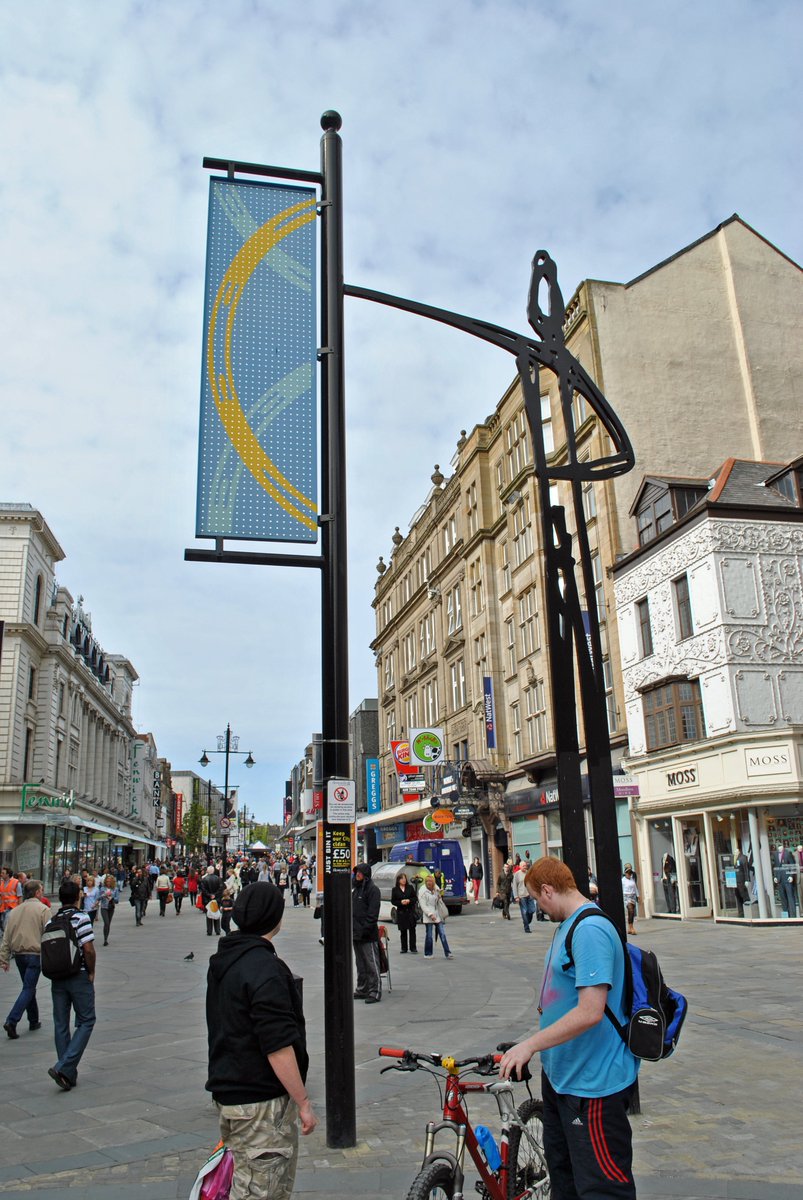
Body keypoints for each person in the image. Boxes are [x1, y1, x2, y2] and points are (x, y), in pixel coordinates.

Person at [499, 857, 638, 1200]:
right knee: (565, 1181)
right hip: (564, 1079)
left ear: (548, 890)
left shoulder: (589, 930)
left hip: (592, 1086)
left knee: (601, 1188)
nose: (537, 906)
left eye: (535, 898)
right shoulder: (568, 925)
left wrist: (531, 1044)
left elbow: (591, 1012)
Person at [206, 882, 317, 1199]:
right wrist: (303, 1102)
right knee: (261, 1190)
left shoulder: (225, 960)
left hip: (230, 1093)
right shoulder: (265, 969)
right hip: (260, 1103)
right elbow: (277, 1045)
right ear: (274, 917)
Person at [47, 879, 97, 1091]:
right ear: (78, 897)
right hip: (78, 974)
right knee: (86, 1020)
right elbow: (88, 948)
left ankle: (67, 1073)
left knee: (60, 1023)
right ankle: (64, 1066)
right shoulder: (81, 917)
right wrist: (92, 970)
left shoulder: (51, 921)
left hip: (57, 976)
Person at [0, 878, 50, 1038]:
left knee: (28, 987)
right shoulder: (43, 909)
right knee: (28, 988)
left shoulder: (15, 911)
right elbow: (49, 934)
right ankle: (12, 1020)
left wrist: (4, 958)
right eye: (41, 890)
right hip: (35, 954)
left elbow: (6, 937)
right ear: (37, 892)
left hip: (19, 955)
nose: (42, 892)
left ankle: (33, 1019)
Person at [352, 863, 381, 1003]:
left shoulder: (373, 890)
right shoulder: (356, 890)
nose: (357, 874)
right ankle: (362, 988)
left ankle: (374, 990)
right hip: (355, 933)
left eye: (360, 872)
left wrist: (365, 929)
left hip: (367, 935)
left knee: (371, 963)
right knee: (360, 963)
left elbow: (372, 914)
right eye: (356, 872)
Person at [418, 874, 453, 959]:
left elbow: (438, 900)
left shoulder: (436, 888)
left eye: (430, 881)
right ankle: (428, 953)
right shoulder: (422, 891)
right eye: (427, 881)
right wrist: (430, 914)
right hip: (429, 915)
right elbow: (423, 905)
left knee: (442, 934)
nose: (428, 883)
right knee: (429, 935)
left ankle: (447, 953)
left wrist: (439, 895)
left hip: (437, 914)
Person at [390, 872, 418, 953]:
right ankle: (404, 948)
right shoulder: (395, 889)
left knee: (412, 930)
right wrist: (401, 902)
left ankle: (413, 948)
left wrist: (409, 900)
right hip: (401, 912)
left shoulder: (410, 887)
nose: (404, 880)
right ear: (398, 880)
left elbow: (415, 898)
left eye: (405, 878)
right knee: (403, 931)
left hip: (410, 911)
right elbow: (393, 901)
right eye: (402, 878)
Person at [200, 865, 223, 936]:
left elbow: (203, 890)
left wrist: (210, 895)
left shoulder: (204, 879)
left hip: (207, 899)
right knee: (216, 914)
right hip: (216, 899)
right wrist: (215, 895)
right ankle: (217, 930)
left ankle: (209, 931)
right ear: (213, 871)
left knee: (209, 915)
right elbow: (220, 888)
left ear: (207, 871)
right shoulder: (218, 879)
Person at [512, 863, 536, 932]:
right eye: (523, 866)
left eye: (525, 866)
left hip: (529, 895)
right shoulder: (517, 874)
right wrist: (516, 896)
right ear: (520, 866)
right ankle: (527, 928)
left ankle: (526, 921)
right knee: (524, 912)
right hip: (521, 896)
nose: (525, 867)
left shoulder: (528, 873)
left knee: (532, 910)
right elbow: (514, 886)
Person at [0, 866, 22, 934]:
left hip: (12, 908)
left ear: (8, 874)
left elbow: (20, 896)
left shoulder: (16, 883)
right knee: (3, 925)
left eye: (3, 873)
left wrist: (20, 909)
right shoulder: (2, 883)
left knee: (7, 926)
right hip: (3, 908)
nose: (1, 874)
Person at [98, 874, 119, 946]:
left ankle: (106, 938)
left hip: (111, 907)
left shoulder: (115, 889)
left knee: (108, 924)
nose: (108, 883)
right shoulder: (102, 888)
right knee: (106, 923)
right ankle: (105, 940)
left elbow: (117, 900)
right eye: (107, 881)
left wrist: (112, 898)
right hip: (104, 907)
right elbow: (98, 898)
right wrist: (104, 895)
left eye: (109, 881)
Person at [622, 866, 639, 936]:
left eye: (630, 873)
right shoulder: (623, 880)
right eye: (628, 873)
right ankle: (631, 928)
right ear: (625, 873)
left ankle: (629, 927)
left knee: (631, 913)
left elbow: (635, 887)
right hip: (626, 896)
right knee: (631, 910)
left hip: (633, 896)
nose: (629, 874)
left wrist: (638, 895)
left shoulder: (632, 879)